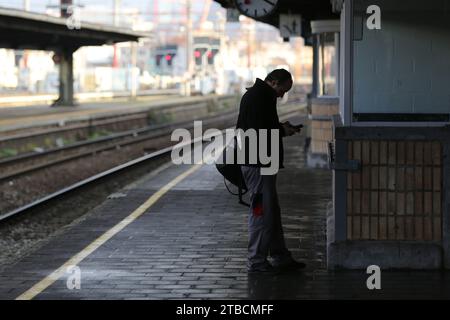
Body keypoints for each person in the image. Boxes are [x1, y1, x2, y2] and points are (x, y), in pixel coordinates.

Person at [236, 69, 306, 274]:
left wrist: (281, 127)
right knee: (260, 212)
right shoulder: (259, 97)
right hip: (257, 164)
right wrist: (282, 130)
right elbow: (260, 131)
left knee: (271, 211)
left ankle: (280, 256)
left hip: (262, 163)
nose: (282, 95)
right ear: (273, 82)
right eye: (282, 91)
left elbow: (263, 126)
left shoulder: (261, 95)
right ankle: (256, 261)